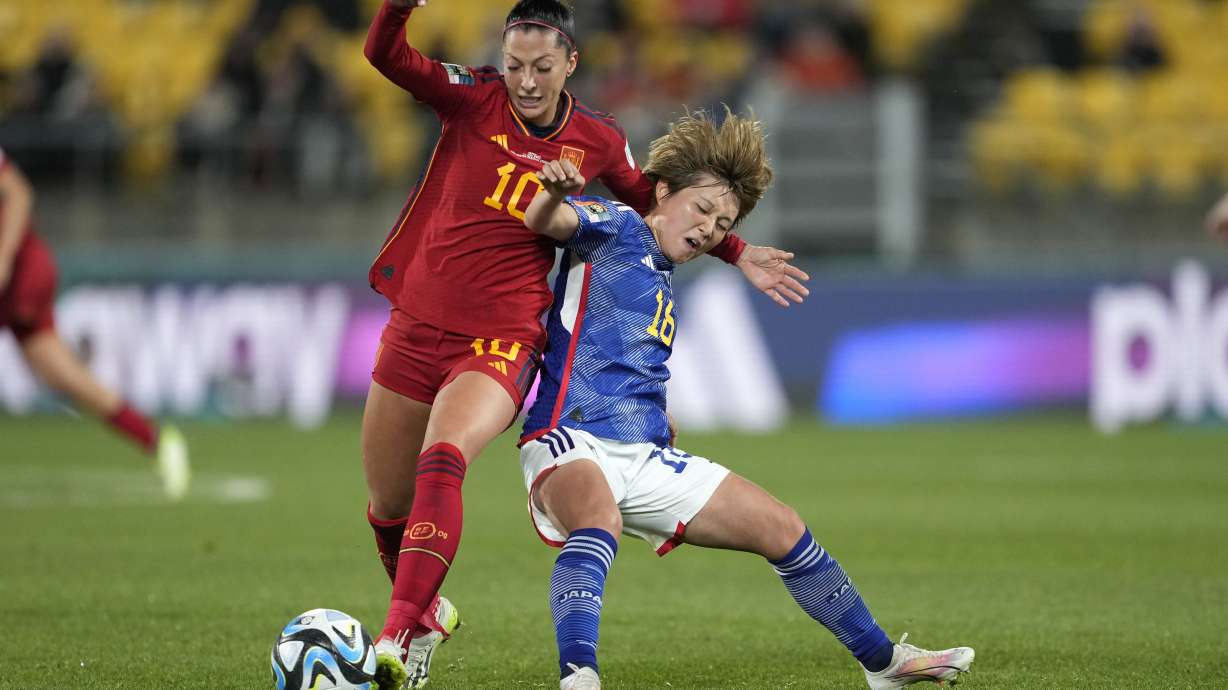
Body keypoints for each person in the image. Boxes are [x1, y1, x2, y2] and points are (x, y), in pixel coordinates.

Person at [360, 1, 810, 687]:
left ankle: (394, 637)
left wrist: (737, 250)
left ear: (571, 63)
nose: (526, 81)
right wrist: (397, 8)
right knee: (388, 507)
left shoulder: (597, 138)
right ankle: (425, 613)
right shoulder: (473, 99)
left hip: (502, 337)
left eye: (542, 67)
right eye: (515, 65)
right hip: (416, 323)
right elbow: (385, 56)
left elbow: (660, 205)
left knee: (444, 456)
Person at [518, 110, 975, 690]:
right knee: (597, 520)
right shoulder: (615, 225)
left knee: (782, 527)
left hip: (644, 453)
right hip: (570, 437)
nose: (709, 229)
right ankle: (579, 675)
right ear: (663, 191)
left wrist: (654, 413)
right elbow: (547, 219)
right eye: (702, 209)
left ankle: (883, 664)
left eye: (722, 222)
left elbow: (623, 356)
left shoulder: (661, 270)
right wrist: (554, 192)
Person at [0, 146, 190, 500]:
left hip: (20, 275)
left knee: (62, 373)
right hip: (19, 272)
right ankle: (157, 440)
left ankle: (158, 440)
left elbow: (19, 192)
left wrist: (5, 256)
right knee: (64, 376)